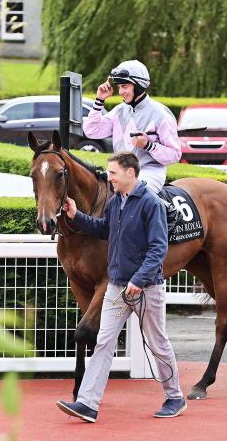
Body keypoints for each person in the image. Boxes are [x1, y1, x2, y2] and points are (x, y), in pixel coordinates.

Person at [56, 152, 186, 423]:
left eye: (113, 173)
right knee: (103, 342)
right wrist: (76, 215)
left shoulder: (151, 204)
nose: (109, 177)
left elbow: (158, 249)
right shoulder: (116, 201)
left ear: (130, 173)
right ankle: (87, 404)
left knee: (157, 343)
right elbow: (103, 229)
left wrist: (138, 281)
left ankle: (175, 397)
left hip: (146, 288)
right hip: (116, 287)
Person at [82, 59, 182, 195]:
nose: (120, 92)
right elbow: (91, 131)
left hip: (149, 172)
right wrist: (99, 100)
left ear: (139, 85)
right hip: (118, 171)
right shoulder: (119, 111)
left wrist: (149, 145)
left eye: (124, 86)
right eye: (119, 87)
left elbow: (174, 155)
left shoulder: (161, 114)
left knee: (134, 194)